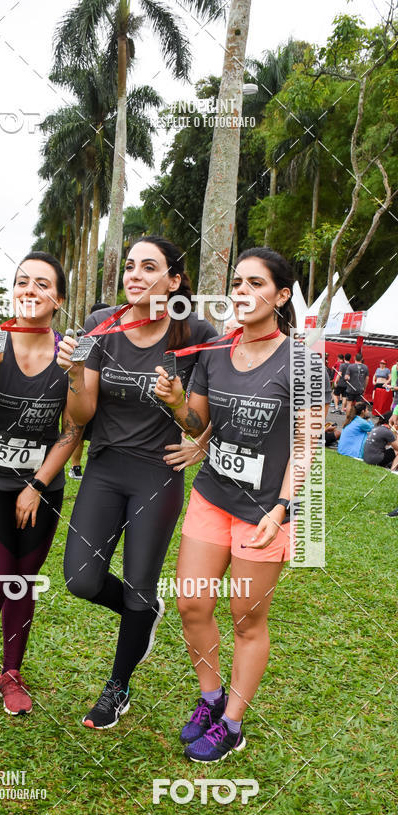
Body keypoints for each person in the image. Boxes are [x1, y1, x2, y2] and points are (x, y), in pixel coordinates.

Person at [155, 247, 311, 763]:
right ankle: (210, 697)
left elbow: (307, 446)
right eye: (236, 283)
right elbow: (198, 427)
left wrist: (283, 507)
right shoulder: (217, 351)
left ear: (281, 295)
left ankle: (233, 724)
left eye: (255, 283)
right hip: (211, 496)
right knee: (191, 603)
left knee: (247, 620)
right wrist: (178, 402)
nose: (241, 292)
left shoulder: (302, 359)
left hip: (265, 510)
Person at [57, 235, 217, 729]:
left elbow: (196, 422)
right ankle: (143, 613)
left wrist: (189, 424)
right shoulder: (99, 324)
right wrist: (75, 372)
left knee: (139, 580)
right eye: (130, 266)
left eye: (150, 267)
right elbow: (81, 413)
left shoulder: (194, 331)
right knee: (80, 578)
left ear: (173, 280)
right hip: (105, 466)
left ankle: (117, 687)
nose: (135, 275)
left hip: (157, 471)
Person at [0, 251, 82, 719]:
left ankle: (12, 673)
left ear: (59, 299)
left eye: (42, 284)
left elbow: (74, 429)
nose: (30, 289)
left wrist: (37, 483)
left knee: (23, 582)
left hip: (41, 484)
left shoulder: (71, 351)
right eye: (22, 281)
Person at [67, 301, 111, 480]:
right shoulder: (83, 340)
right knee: (79, 431)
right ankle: (75, 466)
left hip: (105, 397)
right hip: (84, 393)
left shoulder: (115, 338)